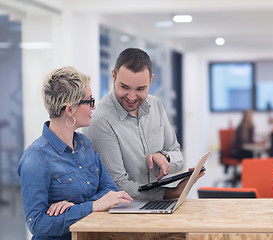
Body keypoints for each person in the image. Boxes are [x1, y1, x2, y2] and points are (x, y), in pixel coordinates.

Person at [18, 67, 133, 240]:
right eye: (90, 101)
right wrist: (92, 206)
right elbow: (37, 224)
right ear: (70, 110)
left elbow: (110, 190)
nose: (94, 107)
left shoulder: (84, 144)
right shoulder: (35, 158)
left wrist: (77, 208)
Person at [83, 48, 191, 201]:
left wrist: (165, 157)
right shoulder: (100, 121)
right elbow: (118, 185)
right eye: (124, 87)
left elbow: (177, 154)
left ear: (150, 81)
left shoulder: (156, 105)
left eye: (140, 89)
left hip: (156, 207)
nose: (132, 97)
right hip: (124, 211)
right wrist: (171, 193)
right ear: (113, 76)